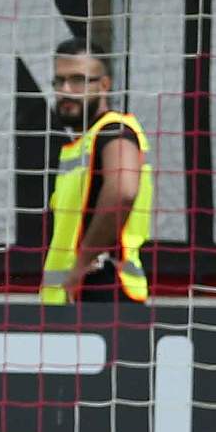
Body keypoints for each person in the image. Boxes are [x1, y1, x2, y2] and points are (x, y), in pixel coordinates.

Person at [39, 38, 153, 304]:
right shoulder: (83, 144)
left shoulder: (115, 131)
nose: (66, 90)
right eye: (60, 81)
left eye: (78, 80)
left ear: (104, 84)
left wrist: (82, 263)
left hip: (103, 294)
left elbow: (123, 191)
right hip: (74, 299)